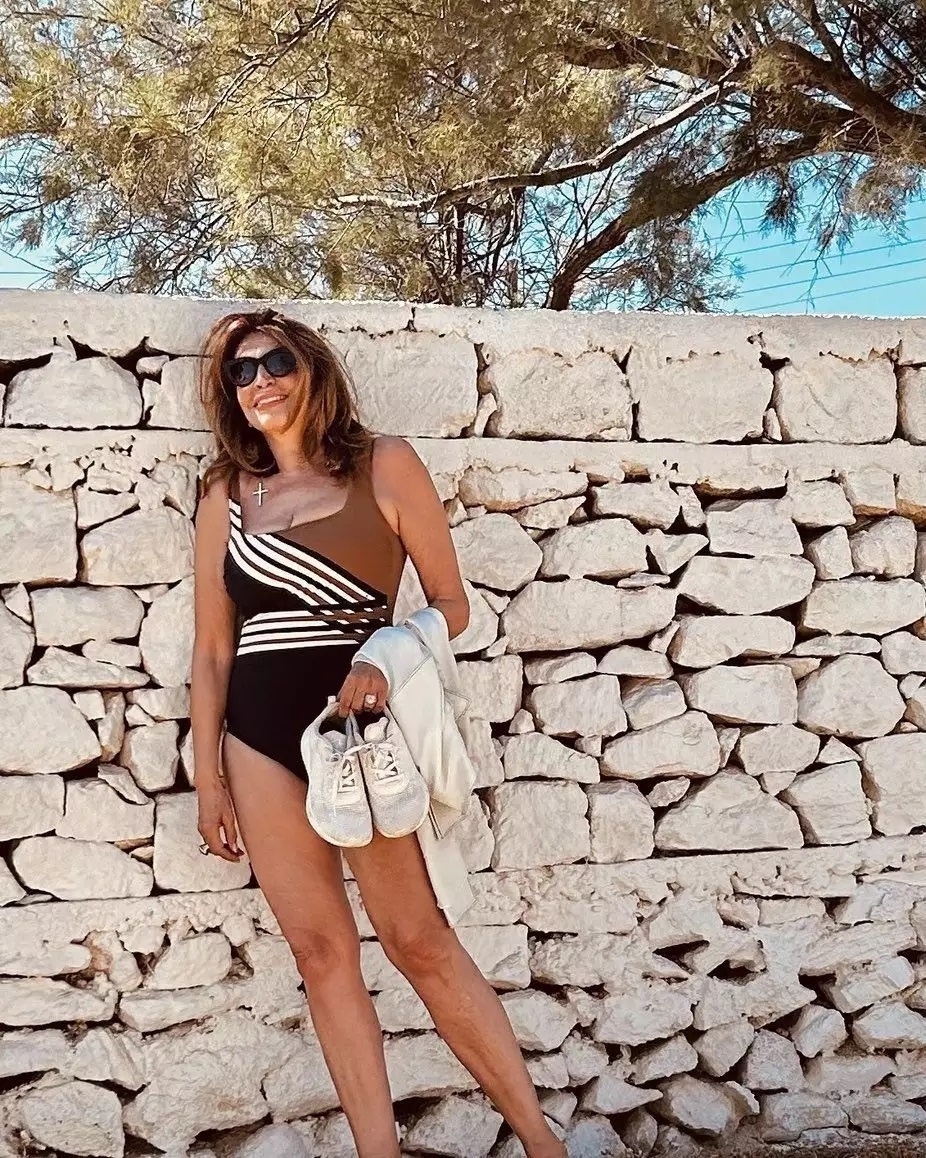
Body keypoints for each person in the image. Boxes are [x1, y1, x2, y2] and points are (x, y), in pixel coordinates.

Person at [190, 308, 566, 1158]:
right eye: (240, 372)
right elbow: (213, 649)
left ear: (313, 368)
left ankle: (543, 1143)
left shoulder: (383, 464)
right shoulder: (226, 494)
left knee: (418, 941)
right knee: (322, 954)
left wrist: (387, 656)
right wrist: (208, 777)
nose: (259, 382)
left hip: (359, 732)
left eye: (275, 362)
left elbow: (452, 604)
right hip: (257, 740)